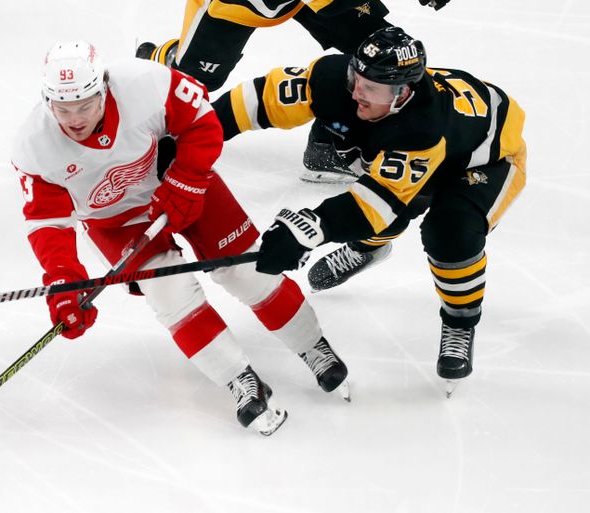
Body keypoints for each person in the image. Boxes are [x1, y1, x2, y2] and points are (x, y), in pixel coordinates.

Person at [10, 40, 349, 435]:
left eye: (85, 105)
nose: (75, 118)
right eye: (63, 109)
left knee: (247, 270)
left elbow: (202, 119)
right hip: (114, 220)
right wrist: (65, 280)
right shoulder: (34, 146)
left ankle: (312, 345)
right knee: (170, 292)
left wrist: (188, 180)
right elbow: (47, 223)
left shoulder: (144, 82)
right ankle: (238, 378)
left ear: (103, 88)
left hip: (178, 179)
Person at [212, 27, 526, 392]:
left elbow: (379, 204)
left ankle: (460, 321)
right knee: (374, 193)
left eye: (370, 88)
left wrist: (311, 229)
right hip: (422, 152)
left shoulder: (422, 127)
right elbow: (257, 100)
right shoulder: (333, 77)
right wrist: (195, 137)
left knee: (450, 234)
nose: (356, 91)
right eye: (355, 78)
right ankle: (369, 249)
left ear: (402, 94)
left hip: (486, 163)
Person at [136, 0, 453, 183]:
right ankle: (164, 58)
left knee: (377, 55)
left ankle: (329, 143)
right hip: (233, 8)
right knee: (193, 82)